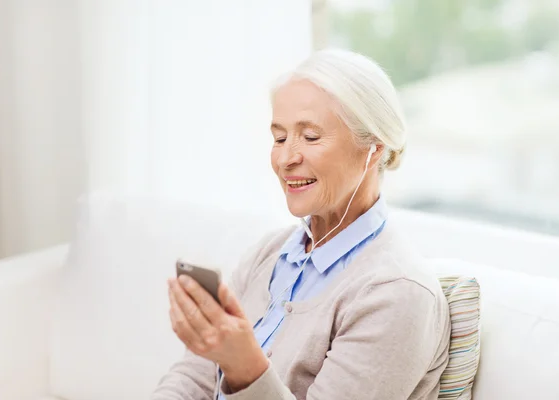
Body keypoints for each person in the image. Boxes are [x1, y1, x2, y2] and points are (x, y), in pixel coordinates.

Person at [151, 49, 451, 400]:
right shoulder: (272, 253)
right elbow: (195, 375)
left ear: (373, 148)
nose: (286, 158)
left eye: (310, 137)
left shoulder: (397, 293)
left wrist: (244, 367)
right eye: (279, 138)